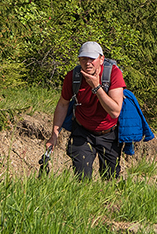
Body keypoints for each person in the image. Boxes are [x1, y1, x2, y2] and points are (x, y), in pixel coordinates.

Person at [48, 41, 125, 179]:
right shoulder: (73, 77)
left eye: (92, 59)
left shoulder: (113, 73)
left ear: (101, 59)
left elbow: (115, 112)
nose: (88, 63)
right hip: (82, 131)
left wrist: (96, 87)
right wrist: (54, 135)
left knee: (110, 178)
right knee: (82, 178)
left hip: (109, 133)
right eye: (83, 59)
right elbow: (63, 105)